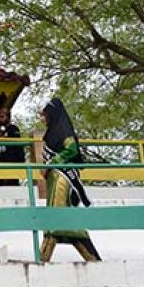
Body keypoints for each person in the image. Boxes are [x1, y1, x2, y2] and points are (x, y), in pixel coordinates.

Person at [39, 97, 101, 262]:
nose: (42, 118)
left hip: (63, 179)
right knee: (67, 221)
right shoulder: (52, 133)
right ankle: (94, 259)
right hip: (55, 179)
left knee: (56, 219)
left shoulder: (63, 130)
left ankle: (42, 261)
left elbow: (72, 149)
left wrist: (52, 162)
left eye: (44, 115)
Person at [0, 106, 25, 186]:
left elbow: (17, 145)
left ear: (8, 117)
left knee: (12, 183)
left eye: (2, 116)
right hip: (2, 160)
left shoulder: (13, 128)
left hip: (12, 161)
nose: (0, 119)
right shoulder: (1, 129)